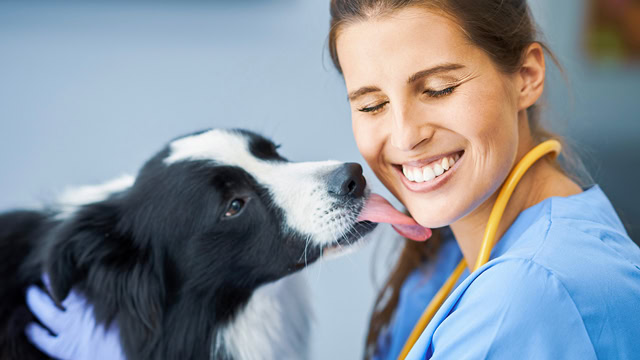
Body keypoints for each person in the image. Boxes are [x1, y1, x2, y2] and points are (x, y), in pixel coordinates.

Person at [26, 0, 640, 359]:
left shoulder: (530, 299)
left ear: (527, 75)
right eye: (372, 104)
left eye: (438, 88)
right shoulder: (453, 255)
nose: (403, 136)